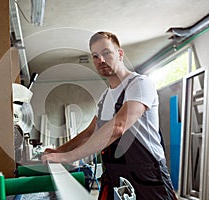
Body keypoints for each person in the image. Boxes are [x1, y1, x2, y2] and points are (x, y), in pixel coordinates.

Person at [41, 31, 177, 200]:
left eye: (106, 53)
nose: (101, 61)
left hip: (146, 176)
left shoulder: (140, 84)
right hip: (115, 175)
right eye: (95, 56)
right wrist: (59, 150)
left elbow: (118, 127)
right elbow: (90, 132)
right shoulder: (105, 97)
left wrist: (68, 157)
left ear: (120, 54)